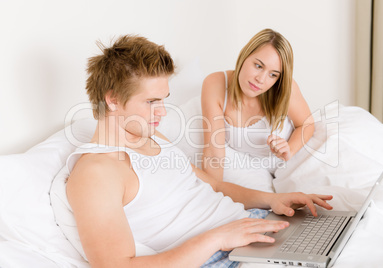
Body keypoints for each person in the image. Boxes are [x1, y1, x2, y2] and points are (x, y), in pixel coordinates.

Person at [51, 34, 333, 268]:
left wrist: (273, 200)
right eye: (151, 102)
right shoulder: (96, 172)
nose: (162, 112)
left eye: (164, 99)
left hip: (250, 229)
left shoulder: (151, 134)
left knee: (335, 240)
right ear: (112, 99)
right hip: (219, 256)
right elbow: (117, 266)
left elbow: (213, 184)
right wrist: (217, 238)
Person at [201, 28, 315, 192]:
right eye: (258, 65)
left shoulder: (284, 88)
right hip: (259, 171)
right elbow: (213, 152)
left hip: (296, 160)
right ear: (244, 55)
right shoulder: (215, 84)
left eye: (273, 75)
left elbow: (307, 124)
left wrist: (289, 149)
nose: (260, 80)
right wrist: (211, 197)